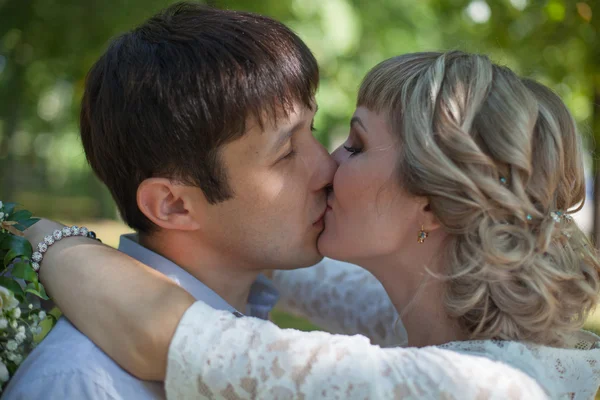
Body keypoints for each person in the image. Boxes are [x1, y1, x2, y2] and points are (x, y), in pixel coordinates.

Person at [23, 51, 600, 399]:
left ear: (431, 205)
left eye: (356, 143)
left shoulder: (479, 385)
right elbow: (256, 250)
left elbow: (174, 337)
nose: (326, 164)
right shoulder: (440, 306)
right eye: (294, 147)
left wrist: (34, 233)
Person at [4, 3, 405, 399]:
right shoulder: (80, 386)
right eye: (286, 153)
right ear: (174, 205)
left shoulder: (252, 315)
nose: (327, 168)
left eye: (312, 129)